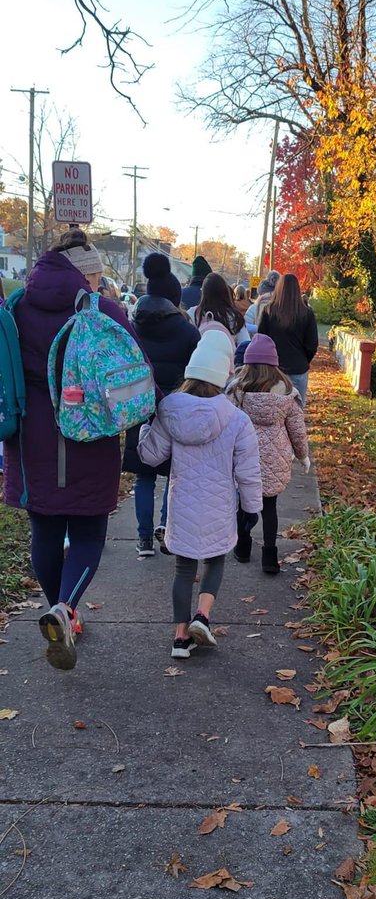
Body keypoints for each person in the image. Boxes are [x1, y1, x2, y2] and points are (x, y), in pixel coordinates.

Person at [2, 229, 152, 671]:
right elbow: (130, 366)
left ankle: (58, 609)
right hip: (86, 435)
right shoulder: (101, 310)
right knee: (88, 535)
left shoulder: (15, 309)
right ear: (87, 274)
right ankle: (65, 610)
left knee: (44, 532)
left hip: (28, 441)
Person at [138, 330, 262, 659]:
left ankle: (180, 638)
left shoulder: (168, 411)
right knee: (216, 560)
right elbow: (247, 472)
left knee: (183, 568)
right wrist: (251, 509)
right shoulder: (237, 420)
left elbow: (150, 456)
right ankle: (202, 617)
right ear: (225, 374)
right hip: (220, 505)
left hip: (182, 505)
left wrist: (145, 427)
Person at [123, 252, 200, 557]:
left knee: (143, 476)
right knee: (173, 472)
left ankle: (142, 540)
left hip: (139, 407)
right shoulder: (188, 332)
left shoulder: (132, 328)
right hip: (175, 408)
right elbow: (195, 374)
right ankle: (166, 527)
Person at [228, 333, 310, 575]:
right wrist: (303, 455)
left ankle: (242, 547)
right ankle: (270, 557)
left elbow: (226, 422)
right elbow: (297, 429)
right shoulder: (287, 392)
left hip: (244, 456)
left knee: (244, 503)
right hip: (276, 457)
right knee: (270, 506)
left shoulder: (237, 390)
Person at [258, 273, 318, 406]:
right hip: (298, 367)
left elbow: (261, 339)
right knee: (296, 413)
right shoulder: (306, 313)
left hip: (273, 368)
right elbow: (312, 345)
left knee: (273, 411)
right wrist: (303, 358)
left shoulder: (269, 311)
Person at [188, 272, 250, 347]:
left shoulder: (193, 314)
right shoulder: (235, 317)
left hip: (198, 357)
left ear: (203, 293)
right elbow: (245, 345)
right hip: (227, 357)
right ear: (225, 292)